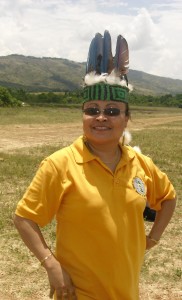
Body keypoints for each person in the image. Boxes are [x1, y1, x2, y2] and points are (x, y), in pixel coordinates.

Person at [14, 31, 176, 300]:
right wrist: (50, 263)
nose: (101, 117)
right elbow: (24, 218)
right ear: (84, 116)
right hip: (79, 293)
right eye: (92, 110)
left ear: (126, 119)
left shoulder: (141, 164)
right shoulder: (60, 164)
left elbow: (168, 198)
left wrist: (153, 238)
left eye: (112, 110)